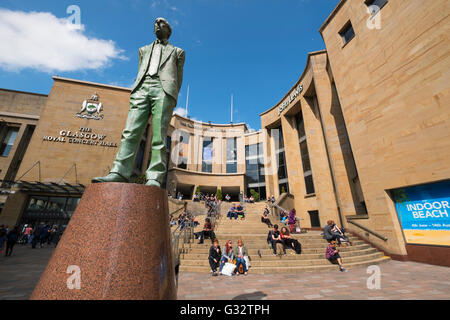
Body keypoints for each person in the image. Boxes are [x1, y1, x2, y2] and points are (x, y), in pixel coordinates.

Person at [92, 17, 185, 187]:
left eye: (161, 23)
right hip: (142, 88)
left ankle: (154, 177)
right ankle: (119, 172)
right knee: (130, 131)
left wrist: (172, 95)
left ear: (168, 31)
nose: (157, 24)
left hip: (163, 90)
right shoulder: (143, 50)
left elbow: (178, 78)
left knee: (159, 135)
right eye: (155, 23)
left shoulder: (177, 52)